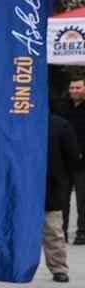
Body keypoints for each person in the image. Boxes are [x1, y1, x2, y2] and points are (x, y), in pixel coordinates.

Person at [46, 110, 83, 283]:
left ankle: (58, 267)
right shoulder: (59, 124)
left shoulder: (59, 125)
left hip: (49, 185)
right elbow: (73, 157)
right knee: (53, 230)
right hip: (50, 184)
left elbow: (72, 155)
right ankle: (58, 268)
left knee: (53, 228)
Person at [58, 78, 85, 243]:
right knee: (62, 199)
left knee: (83, 200)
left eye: (78, 88)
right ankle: (62, 232)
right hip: (64, 162)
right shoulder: (64, 108)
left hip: (82, 163)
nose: (74, 91)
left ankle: (82, 232)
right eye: (72, 88)